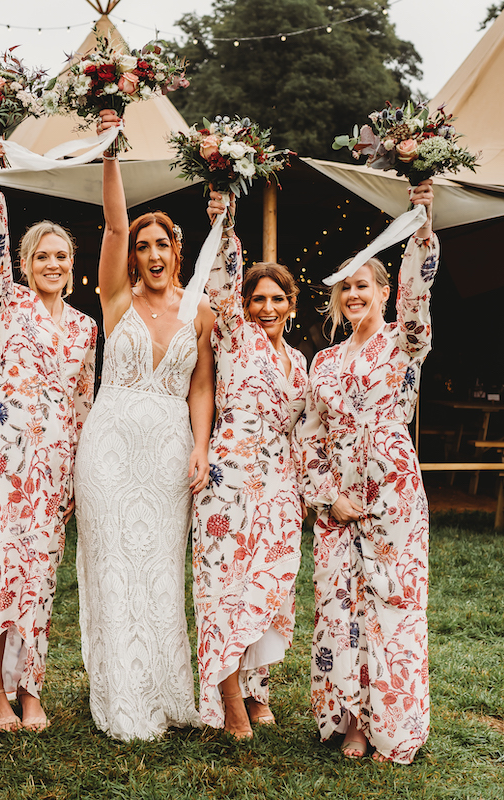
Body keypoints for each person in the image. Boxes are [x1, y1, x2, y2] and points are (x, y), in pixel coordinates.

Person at [73, 109, 215, 740]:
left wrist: (201, 449)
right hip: (108, 449)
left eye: (162, 245)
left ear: (176, 252)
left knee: (160, 565)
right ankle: (121, 696)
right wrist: (111, 152)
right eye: (142, 245)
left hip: (168, 452)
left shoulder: (200, 309)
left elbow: (202, 386)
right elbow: (110, 221)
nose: (152, 254)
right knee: (112, 565)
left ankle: (163, 688)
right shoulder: (115, 300)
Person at [298, 181, 437, 764]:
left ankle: (394, 727)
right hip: (339, 501)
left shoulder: (405, 345)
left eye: (364, 284)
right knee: (340, 610)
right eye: (346, 287)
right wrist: (326, 499)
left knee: (392, 607)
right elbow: (308, 437)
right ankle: (353, 721)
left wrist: (421, 223)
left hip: (393, 495)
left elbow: (419, 293)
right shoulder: (323, 361)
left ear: (384, 292)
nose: (354, 294)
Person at [0, 139, 99, 732]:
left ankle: (30, 687)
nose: (53, 264)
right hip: (3, 459)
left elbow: (84, 403)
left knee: (39, 578)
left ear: (73, 266)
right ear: (25, 265)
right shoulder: (7, 302)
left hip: (52, 466)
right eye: (43, 256)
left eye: (62, 257)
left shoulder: (85, 327)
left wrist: (77, 474)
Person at [192, 191, 308, 740]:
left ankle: (257, 684)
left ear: (291, 304)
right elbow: (221, 274)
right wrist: (226, 218)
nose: (266, 307)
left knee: (270, 585)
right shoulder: (234, 337)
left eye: (276, 299)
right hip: (231, 480)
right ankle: (230, 695)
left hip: (281, 485)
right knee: (225, 585)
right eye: (256, 298)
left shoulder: (300, 361)